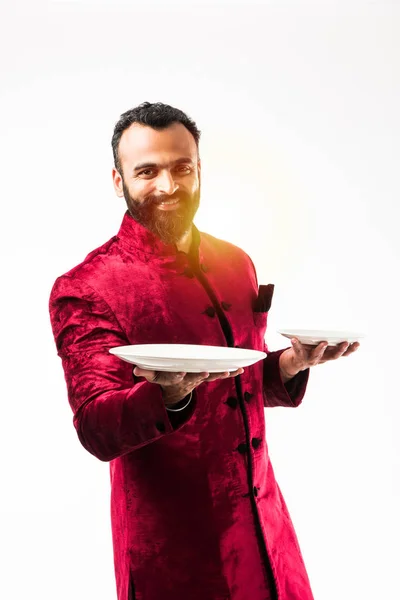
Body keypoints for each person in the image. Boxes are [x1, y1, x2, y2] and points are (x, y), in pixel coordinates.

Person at [48, 101, 359, 600]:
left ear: (199, 169)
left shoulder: (235, 263)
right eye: (147, 171)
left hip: (265, 531)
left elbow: (244, 383)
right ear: (117, 180)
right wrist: (167, 396)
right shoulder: (87, 286)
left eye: (182, 167)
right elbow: (95, 426)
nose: (168, 187)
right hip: (172, 550)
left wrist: (293, 363)